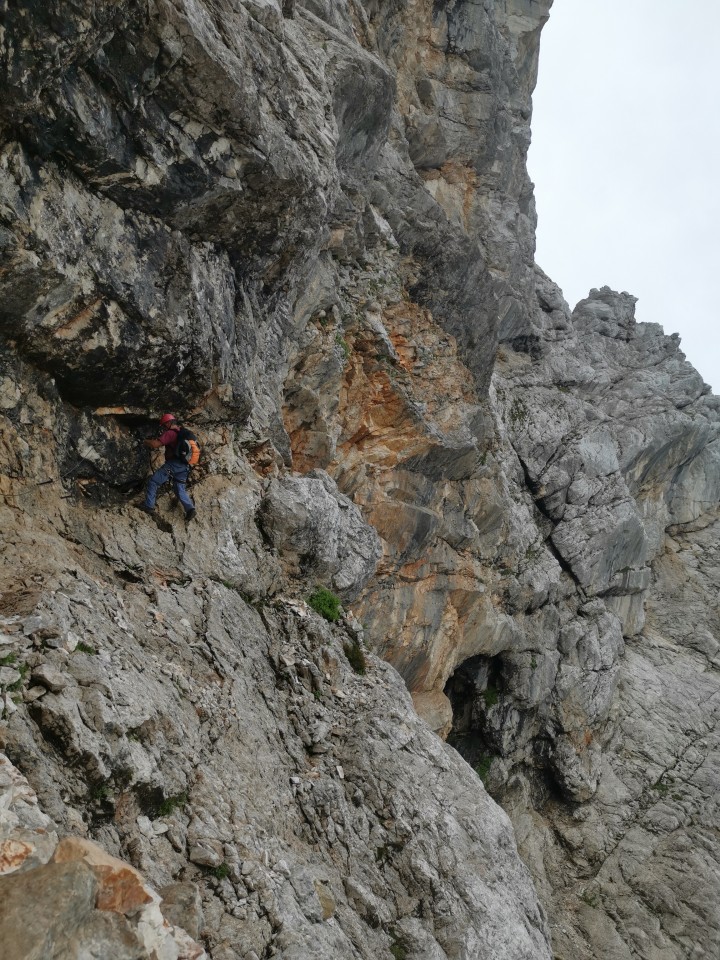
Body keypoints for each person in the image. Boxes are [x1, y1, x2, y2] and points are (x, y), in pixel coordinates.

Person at [138, 414, 196, 520]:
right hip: (184, 466)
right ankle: (190, 509)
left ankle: (148, 506)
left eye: (164, 425)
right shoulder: (182, 432)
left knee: (153, 481)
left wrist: (144, 441)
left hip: (173, 464)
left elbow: (155, 444)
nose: (164, 428)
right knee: (179, 488)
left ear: (169, 423)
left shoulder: (170, 433)